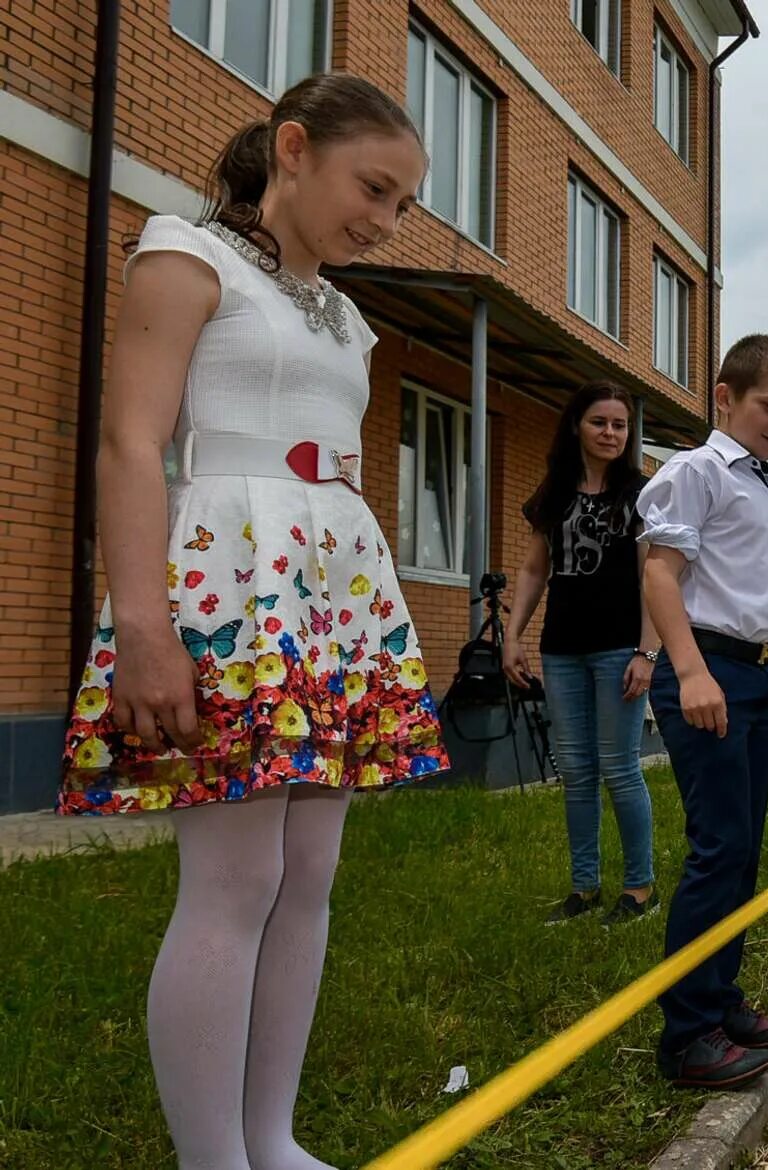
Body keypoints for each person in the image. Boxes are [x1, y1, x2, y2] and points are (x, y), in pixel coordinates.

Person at [53, 75, 444, 1167]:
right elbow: (133, 445)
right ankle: (210, 1157)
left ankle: (270, 1139)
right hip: (232, 583)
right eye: (376, 188)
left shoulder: (347, 315)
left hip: (331, 599)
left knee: (306, 881)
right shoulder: (186, 255)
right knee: (234, 881)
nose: (386, 219)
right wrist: (142, 626)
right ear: (291, 149)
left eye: (404, 204)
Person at [637, 334, 768, 1089]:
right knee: (718, 848)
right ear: (725, 397)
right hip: (704, 671)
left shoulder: (767, 485)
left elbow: (759, 606)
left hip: (749, 674)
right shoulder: (696, 472)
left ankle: (721, 1002)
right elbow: (659, 575)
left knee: (742, 849)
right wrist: (688, 672)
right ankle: (687, 1037)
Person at [502, 381, 660, 925]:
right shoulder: (554, 494)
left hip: (620, 649)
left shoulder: (642, 495)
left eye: (620, 425)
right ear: (577, 426)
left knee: (620, 768)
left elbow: (653, 578)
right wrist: (513, 635)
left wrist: (648, 651)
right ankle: (584, 887)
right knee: (575, 769)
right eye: (600, 422)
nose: (611, 433)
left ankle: (639, 887)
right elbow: (532, 570)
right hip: (562, 651)